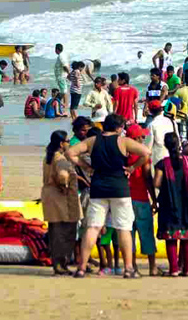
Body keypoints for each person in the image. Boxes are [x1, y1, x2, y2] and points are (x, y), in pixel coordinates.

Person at [68, 114, 151, 278]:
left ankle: (81, 268)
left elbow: (70, 153)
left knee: (93, 227)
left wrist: (87, 167)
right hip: (119, 188)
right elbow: (146, 152)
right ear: (119, 128)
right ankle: (128, 268)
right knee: (123, 228)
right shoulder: (123, 141)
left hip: (98, 188)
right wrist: (132, 168)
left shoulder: (92, 141)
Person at [153, 131, 188, 277]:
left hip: (169, 203)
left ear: (165, 145)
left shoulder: (162, 164)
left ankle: (174, 269)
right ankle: (187, 269)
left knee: (171, 238)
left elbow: (156, 183)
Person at [41, 130, 82, 275]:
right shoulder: (60, 159)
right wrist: (64, 186)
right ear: (61, 143)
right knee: (65, 232)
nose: (69, 143)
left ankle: (57, 264)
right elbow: (63, 175)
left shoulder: (49, 156)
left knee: (55, 232)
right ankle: (61, 264)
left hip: (50, 197)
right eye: (67, 141)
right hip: (62, 199)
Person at [125, 123, 158, 276]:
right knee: (146, 233)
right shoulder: (143, 155)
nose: (144, 139)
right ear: (136, 138)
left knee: (129, 234)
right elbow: (147, 177)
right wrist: (154, 199)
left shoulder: (123, 155)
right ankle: (152, 267)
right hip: (141, 198)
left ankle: (133, 266)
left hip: (125, 199)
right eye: (141, 136)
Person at [53, 43, 71, 114]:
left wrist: (69, 74)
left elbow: (65, 66)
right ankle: (63, 108)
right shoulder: (63, 55)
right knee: (64, 91)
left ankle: (65, 109)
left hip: (61, 77)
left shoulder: (61, 56)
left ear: (56, 49)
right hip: (62, 76)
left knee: (64, 92)